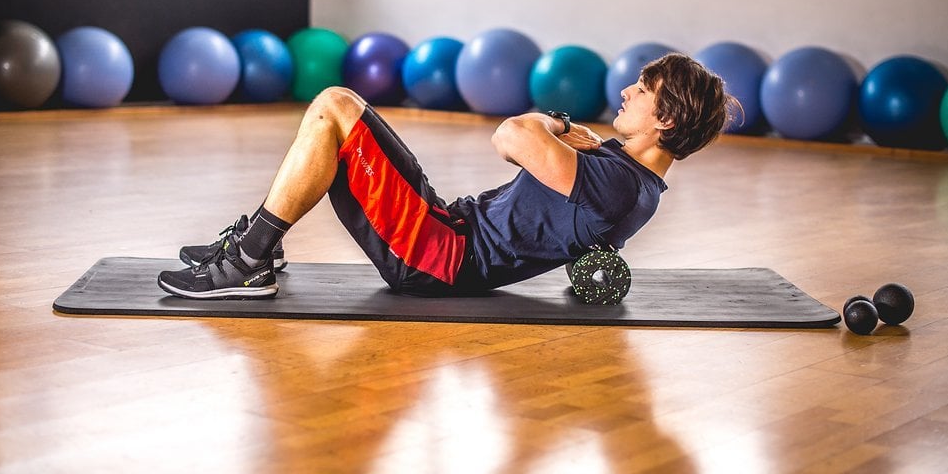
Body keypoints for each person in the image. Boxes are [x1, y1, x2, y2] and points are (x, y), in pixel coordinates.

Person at [157, 52, 737, 299]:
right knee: (343, 111)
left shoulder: (616, 185)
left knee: (335, 104)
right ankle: (258, 249)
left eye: (644, 90)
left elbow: (510, 136)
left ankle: (249, 258)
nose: (628, 90)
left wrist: (553, 123)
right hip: (445, 227)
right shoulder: (629, 178)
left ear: (665, 118)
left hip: (437, 255)